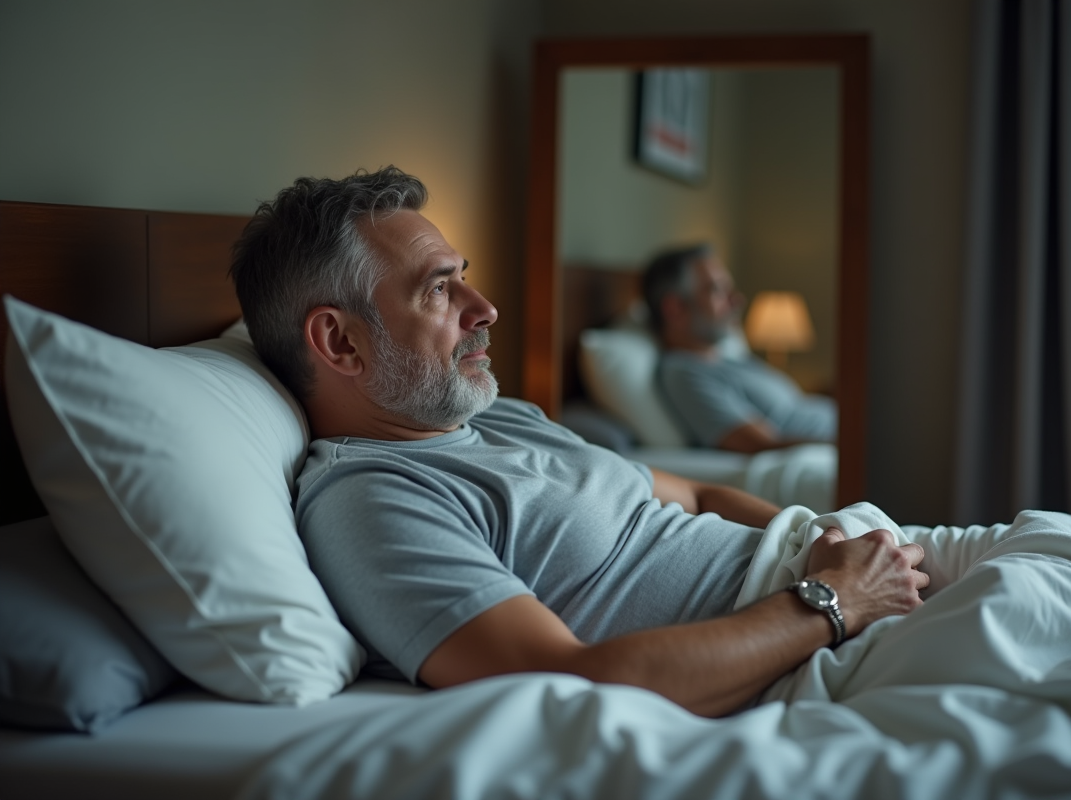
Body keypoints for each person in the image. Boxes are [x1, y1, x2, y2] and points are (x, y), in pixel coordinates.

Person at [230, 166, 927, 718]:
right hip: (812, 637)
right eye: (440, 290)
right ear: (338, 341)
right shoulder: (374, 503)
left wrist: (828, 541)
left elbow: (697, 491)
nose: (485, 309)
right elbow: (572, 683)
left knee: (1039, 547)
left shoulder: (496, 417)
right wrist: (831, 601)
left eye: (463, 277)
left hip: (844, 566)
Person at [642, 244, 838, 453]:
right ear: (675, 309)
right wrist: (853, 443)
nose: (737, 300)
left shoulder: (730, 359)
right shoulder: (685, 373)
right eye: (717, 290)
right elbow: (761, 445)